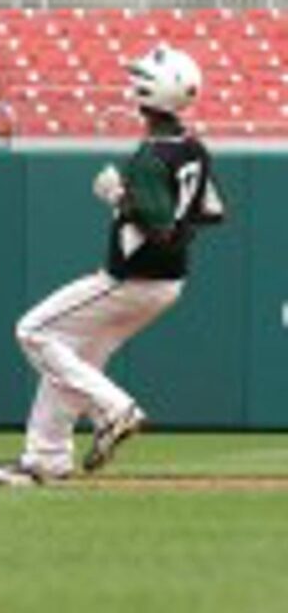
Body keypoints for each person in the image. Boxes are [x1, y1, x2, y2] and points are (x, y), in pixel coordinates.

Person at [13, 44, 225, 481]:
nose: (133, 85)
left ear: (151, 93)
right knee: (73, 357)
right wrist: (153, 210)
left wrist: (120, 198)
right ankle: (47, 457)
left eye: (140, 79)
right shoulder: (194, 149)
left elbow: (160, 226)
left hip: (133, 279)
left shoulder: (152, 156)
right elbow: (213, 211)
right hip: (168, 283)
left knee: (33, 331)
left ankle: (114, 409)